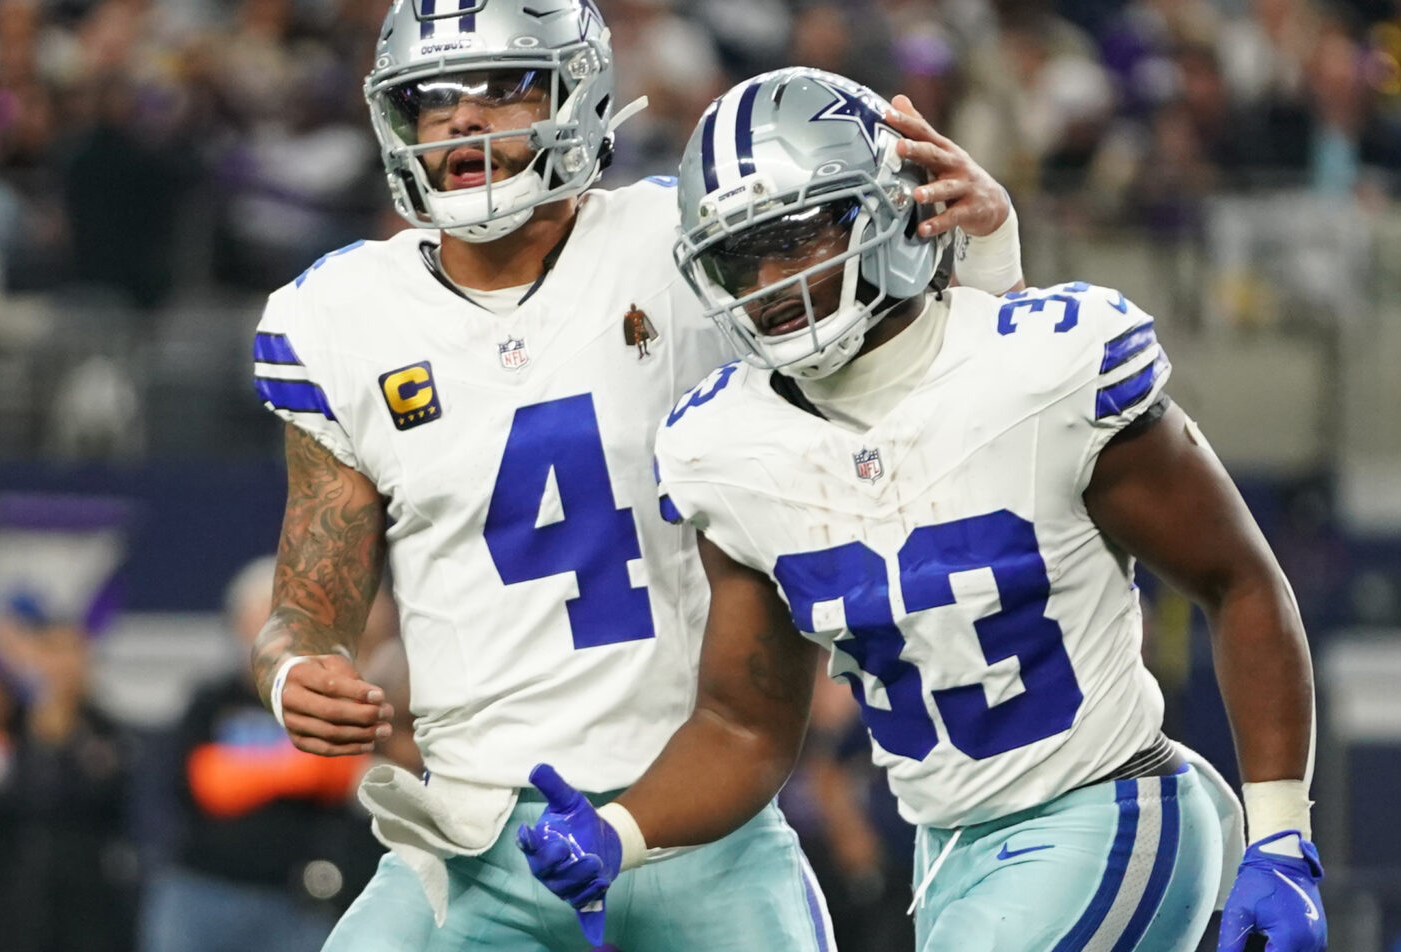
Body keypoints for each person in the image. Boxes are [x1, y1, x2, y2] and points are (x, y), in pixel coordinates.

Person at [246, 2, 1027, 949]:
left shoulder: (683, 240)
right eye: (432, 99)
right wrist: (296, 672)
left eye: (501, 88)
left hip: (701, 814)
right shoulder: (341, 315)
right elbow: (306, 607)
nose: (462, 118)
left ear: (576, 92)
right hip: (473, 837)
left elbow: (923, 384)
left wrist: (984, 255)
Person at [516, 68, 1329, 952]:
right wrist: (619, 832)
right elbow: (743, 725)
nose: (773, 280)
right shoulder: (724, 447)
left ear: (890, 209)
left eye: (797, 235)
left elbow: (1239, 583)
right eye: (741, 256)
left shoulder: (1046, 366)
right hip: (947, 854)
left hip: (1110, 806)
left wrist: (1281, 836)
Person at [140, 557, 377, 952]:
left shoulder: (331, 699)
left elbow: (347, 775)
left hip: (296, 899)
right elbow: (207, 784)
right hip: (203, 890)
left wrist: (251, 772)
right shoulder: (212, 701)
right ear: (239, 627)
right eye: (262, 621)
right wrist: (302, 770)